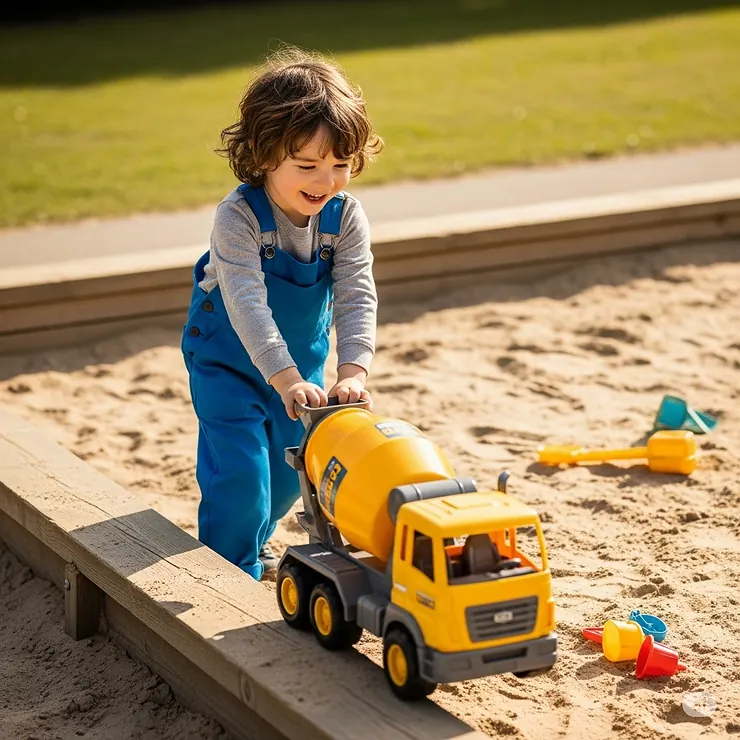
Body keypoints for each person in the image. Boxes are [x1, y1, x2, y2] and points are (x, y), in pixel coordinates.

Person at [181, 48, 383, 580]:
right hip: (228, 359)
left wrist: (353, 369)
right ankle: (229, 568)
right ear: (265, 154)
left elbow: (356, 290)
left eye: (341, 164)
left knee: (294, 473)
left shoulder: (345, 217)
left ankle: (251, 540)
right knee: (242, 474)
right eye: (308, 165)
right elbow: (245, 303)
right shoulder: (239, 217)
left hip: (301, 363)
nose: (327, 180)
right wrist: (284, 377)